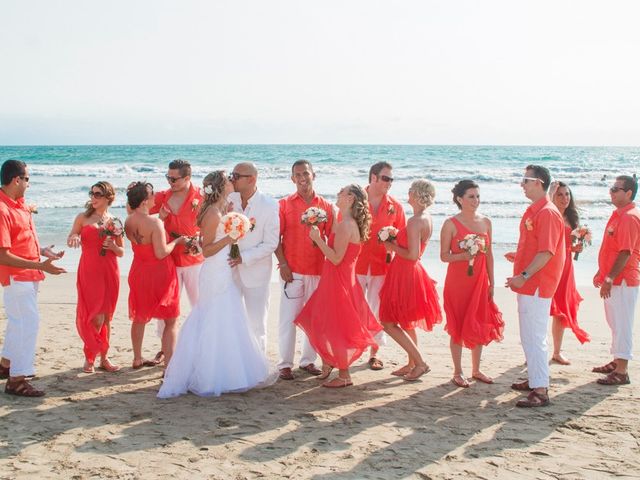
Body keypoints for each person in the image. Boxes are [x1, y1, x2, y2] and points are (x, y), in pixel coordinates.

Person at [159, 171, 276, 398]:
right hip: (215, 271)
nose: (233, 182)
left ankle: (229, 370)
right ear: (222, 187)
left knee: (228, 316)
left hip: (225, 268)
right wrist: (229, 239)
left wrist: (236, 235)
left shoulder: (224, 207)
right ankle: (211, 374)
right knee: (214, 315)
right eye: (229, 180)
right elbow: (206, 249)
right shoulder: (213, 212)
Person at [295, 184, 382, 388]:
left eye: (341, 192)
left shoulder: (346, 225)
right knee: (327, 320)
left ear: (350, 198)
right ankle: (328, 363)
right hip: (341, 277)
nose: (337, 194)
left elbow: (335, 258)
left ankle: (344, 375)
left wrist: (318, 239)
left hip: (338, 279)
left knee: (336, 326)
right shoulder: (348, 223)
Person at [0, 160, 66, 397]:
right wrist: (40, 265)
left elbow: (20, 242)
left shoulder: (19, 205)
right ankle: (17, 379)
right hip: (17, 277)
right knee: (27, 323)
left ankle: (6, 365)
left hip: (30, 273)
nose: (29, 183)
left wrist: (42, 252)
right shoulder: (2, 209)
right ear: (17, 180)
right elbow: (3, 255)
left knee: (19, 322)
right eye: (27, 179)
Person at [505, 165, 565, 408]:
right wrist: (518, 258)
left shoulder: (547, 213)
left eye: (526, 180)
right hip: (530, 283)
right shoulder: (535, 210)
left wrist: (524, 274)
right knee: (527, 335)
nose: (522, 184)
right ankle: (534, 379)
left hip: (537, 283)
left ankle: (540, 389)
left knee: (535, 336)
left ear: (538, 182)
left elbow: (547, 252)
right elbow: (535, 247)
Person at [440, 180, 504, 388]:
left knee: (479, 322)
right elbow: (444, 256)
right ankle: (458, 372)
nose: (475, 200)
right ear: (460, 199)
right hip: (457, 283)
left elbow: (490, 255)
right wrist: (464, 255)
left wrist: (491, 282)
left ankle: (476, 369)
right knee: (457, 325)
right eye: (471, 196)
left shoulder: (486, 222)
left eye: (477, 196)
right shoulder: (450, 224)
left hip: (479, 281)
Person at [274, 160, 333, 380]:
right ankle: (285, 364)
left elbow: (332, 239)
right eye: (297, 175)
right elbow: (276, 240)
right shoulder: (284, 205)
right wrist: (283, 265)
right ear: (292, 179)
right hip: (293, 271)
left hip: (319, 270)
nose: (302, 178)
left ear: (313, 175)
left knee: (314, 319)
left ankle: (308, 361)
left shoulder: (326, 206)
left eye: (306, 174)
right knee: (288, 318)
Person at [379, 179, 442, 381]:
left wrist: (392, 247)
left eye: (410, 190)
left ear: (416, 194)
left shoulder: (415, 221)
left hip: (406, 272)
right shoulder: (425, 217)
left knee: (388, 323)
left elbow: (413, 254)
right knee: (406, 323)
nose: (408, 192)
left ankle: (421, 363)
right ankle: (412, 363)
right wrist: (397, 237)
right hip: (409, 271)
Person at [149, 159, 204, 364]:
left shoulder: (202, 196)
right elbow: (136, 212)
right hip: (169, 260)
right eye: (168, 177)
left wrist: (200, 240)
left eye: (174, 178)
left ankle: (200, 344)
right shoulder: (162, 197)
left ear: (187, 178)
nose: (170, 181)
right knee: (167, 308)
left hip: (196, 260)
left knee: (200, 304)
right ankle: (165, 348)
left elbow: (213, 221)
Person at [125, 182, 184, 369]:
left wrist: (160, 218)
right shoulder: (154, 222)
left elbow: (145, 234)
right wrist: (178, 241)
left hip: (139, 271)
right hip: (159, 273)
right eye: (151, 195)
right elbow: (160, 252)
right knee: (171, 320)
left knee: (139, 316)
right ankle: (169, 364)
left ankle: (137, 358)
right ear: (144, 201)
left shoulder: (129, 220)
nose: (155, 198)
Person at [67, 181, 124, 373]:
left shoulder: (115, 221)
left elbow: (122, 251)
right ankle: (90, 356)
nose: (93, 197)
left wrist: (114, 247)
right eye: (91, 193)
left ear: (108, 197)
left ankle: (103, 358)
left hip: (109, 270)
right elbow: (72, 235)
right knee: (94, 315)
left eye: (98, 194)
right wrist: (74, 237)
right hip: (89, 270)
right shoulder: (82, 217)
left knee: (106, 315)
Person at [356, 161, 406, 371]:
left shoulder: (396, 206)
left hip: (382, 266)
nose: (390, 183)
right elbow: (340, 228)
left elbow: (402, 237)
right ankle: (351, 348)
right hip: (356, 263)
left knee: (377, 311)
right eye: (386, 178)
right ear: (373, 178)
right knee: (355, 308)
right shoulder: (355, 200)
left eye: (392, 179)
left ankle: (374, 353)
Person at [592, 174, 640, 386]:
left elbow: (625, 252)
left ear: (628, 193)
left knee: (622, 324)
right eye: (611, 188)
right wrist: (601, 273)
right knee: (614, 322)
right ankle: (616, 361)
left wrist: (610, 278)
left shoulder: (629, 217)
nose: (611, 191)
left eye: (615, 189)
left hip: (623, 280)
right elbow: (611, 249)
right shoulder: (619, 215)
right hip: (613, 278)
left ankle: (622, 371)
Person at [227, 162, 279, 353]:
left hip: (256, 273)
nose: (232, 179)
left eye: (236, 176)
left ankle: (259, 367)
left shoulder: (270, 205)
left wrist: (244, 257)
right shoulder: (228, 200)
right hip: (228, 271)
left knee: (257, 324)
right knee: (232, 321)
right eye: (232, 175)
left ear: (252, 179)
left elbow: (271, 243)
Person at [548, 181, 590, 365]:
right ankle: (535, 350)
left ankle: (557, 351)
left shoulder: (572, 218)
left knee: (561, 311)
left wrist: (577, 248)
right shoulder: (549, 214)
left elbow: (569, 245)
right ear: (553, 197)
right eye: (560, 195)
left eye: (567, 194)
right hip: (549, 266)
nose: (565, 198)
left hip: (566, 267)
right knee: (542, 309)